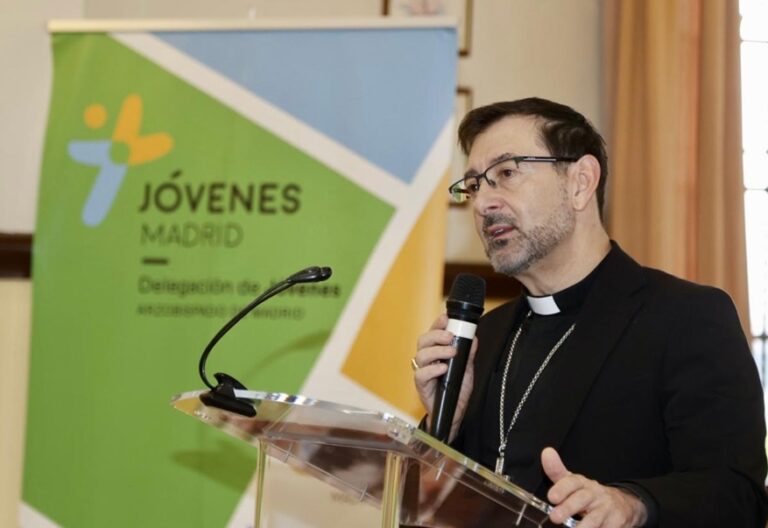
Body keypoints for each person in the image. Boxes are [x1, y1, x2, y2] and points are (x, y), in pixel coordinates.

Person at [412, 97, 768, 527]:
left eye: (505, 174)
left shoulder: (687, 318)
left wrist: (634, 505)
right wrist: (444, 426)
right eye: (474, 185)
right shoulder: (485, 333)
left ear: (581, 181)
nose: (483, 203)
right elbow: (429, 508)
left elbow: (736, 494)